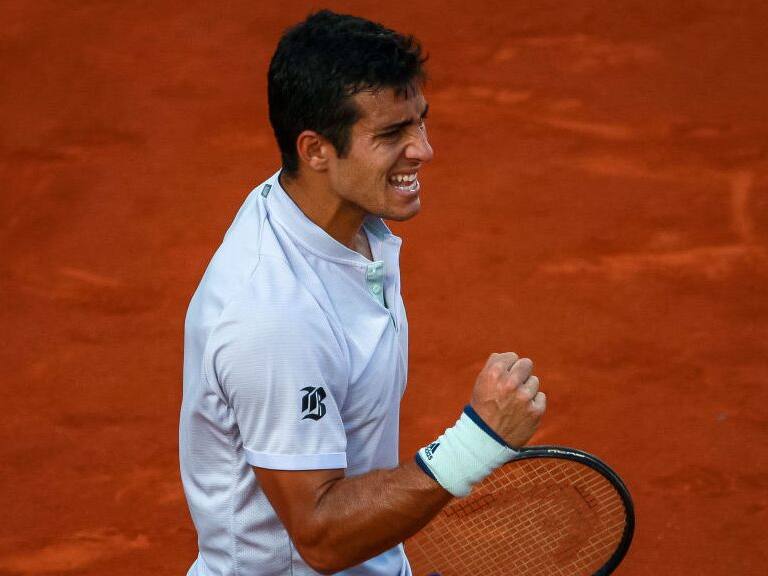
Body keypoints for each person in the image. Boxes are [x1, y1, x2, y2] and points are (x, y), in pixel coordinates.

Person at [179, 10, 545, 576]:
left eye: (420, 122)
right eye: (391, 135)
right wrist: (476, 443)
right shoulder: (275, 320)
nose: (423, 150)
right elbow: (321, 537)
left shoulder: (338, 220)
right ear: (315, 150)